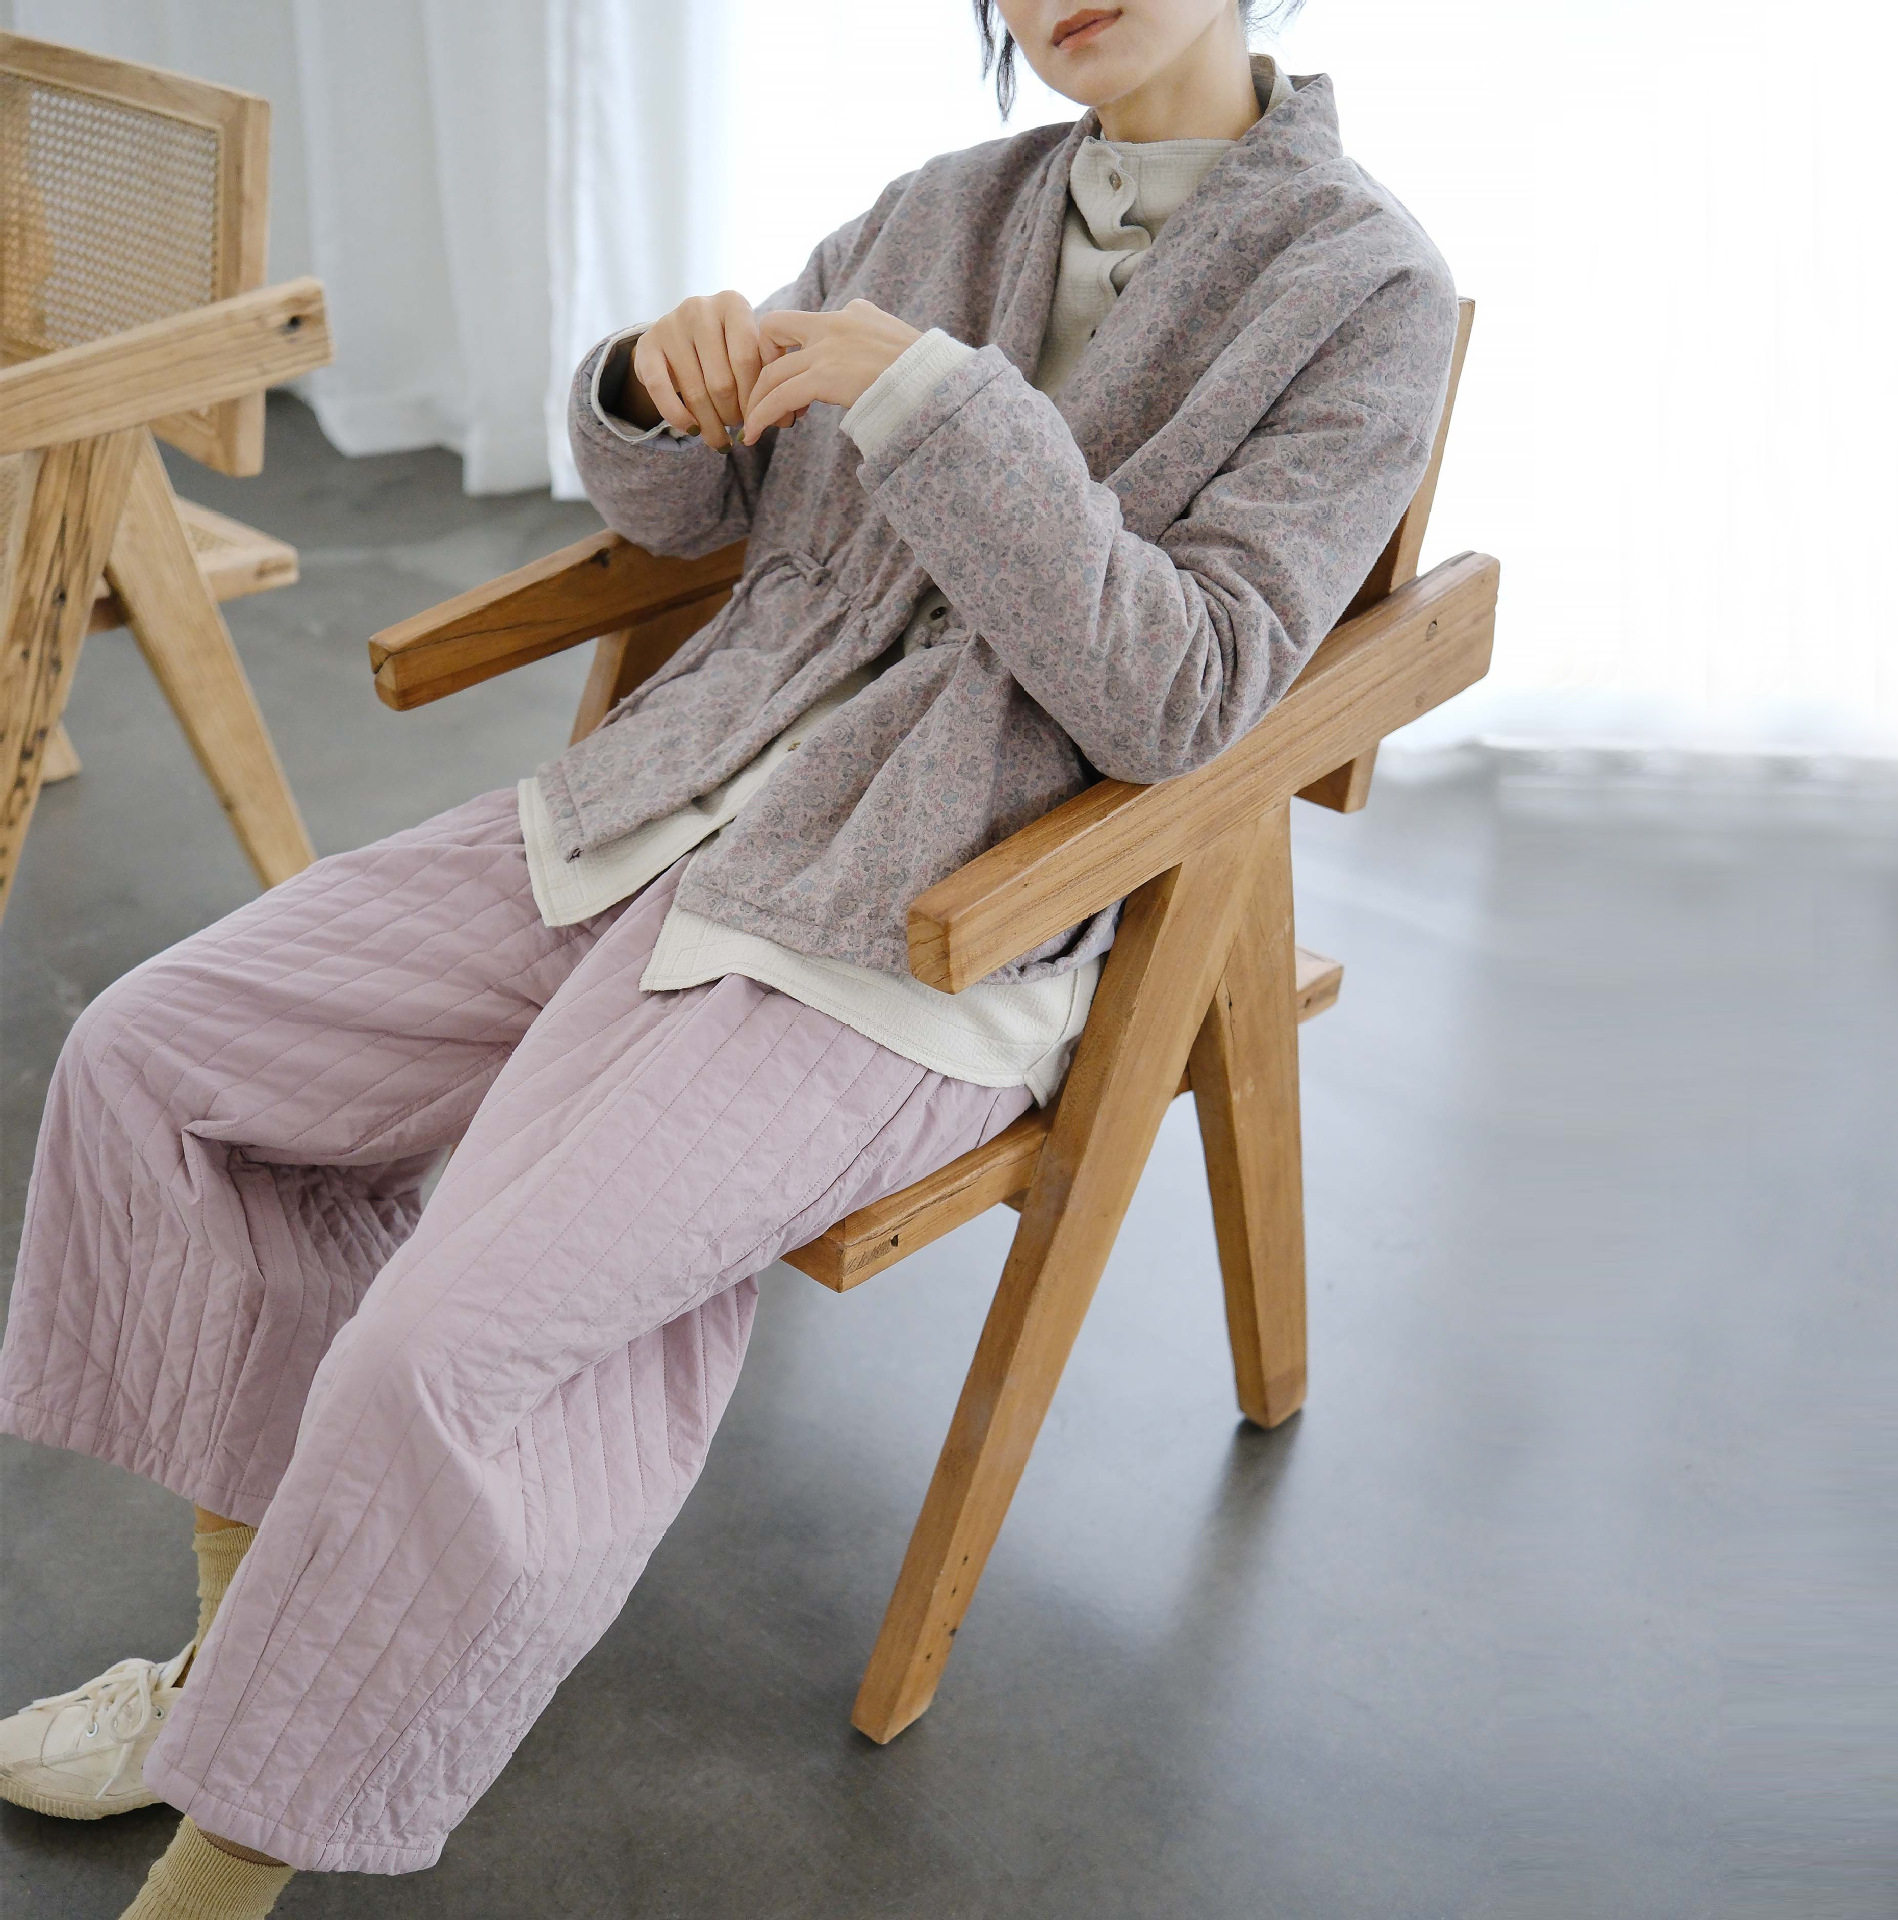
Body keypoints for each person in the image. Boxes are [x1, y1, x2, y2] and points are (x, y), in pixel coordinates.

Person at [0, 3, 1457, 1913]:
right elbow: (702, 508)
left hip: (921, 927)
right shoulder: (945, 205)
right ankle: (234, 1654)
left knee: (444, 1348)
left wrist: (939, 407)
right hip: (665, 808)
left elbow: (1180, 694)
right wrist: (645, 383)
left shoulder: (1365, 289)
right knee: (153, 1058)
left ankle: (224, 1864)